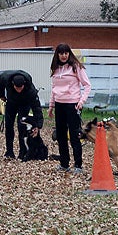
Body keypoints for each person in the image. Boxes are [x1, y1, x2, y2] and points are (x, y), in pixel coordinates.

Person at [47, 43, 91, 173]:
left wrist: (81, 101)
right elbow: (53, 89)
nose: (64, 56)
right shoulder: (55, 69)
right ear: (58, 55)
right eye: (61, 53)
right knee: (60, 135)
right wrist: (51, 106)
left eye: (66, 53)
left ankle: (78, 165)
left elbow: (87, 85)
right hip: (59, 104)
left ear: (69, 54)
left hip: (73, 104)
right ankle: (64, 163)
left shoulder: (76, 67)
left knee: (74, 135)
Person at [0, 70, 42, 160]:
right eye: (17, 88)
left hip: (24, 104)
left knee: (22, 126)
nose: (19, 90)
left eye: (21, 87)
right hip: (11, 102)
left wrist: (38, 125)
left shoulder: (31, 91)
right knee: (8, 126)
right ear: (13, 84)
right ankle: (9, 152)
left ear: (24, 84)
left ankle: (23, 152)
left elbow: (37, 108)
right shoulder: (5, 78)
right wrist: (1, 95)